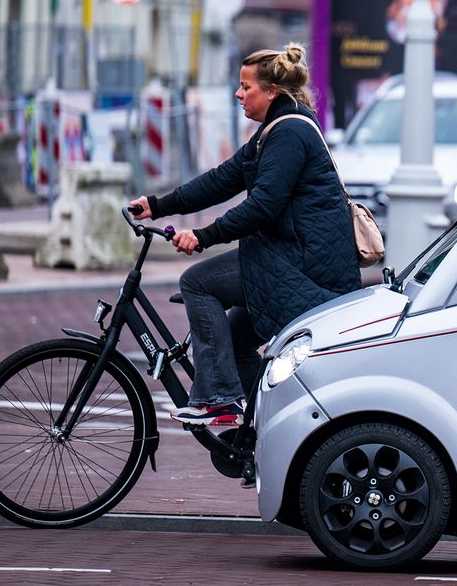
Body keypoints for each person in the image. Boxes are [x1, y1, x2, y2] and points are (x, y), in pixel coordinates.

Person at [129, 43, 361, 426]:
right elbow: (223, 179)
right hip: (288, 257)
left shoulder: (288, 134)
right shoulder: (272, 131)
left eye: (246, 86)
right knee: (236, 343)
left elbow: (263, 206)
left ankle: (219, 399)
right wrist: (158, 204)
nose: (238, 94)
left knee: (198, 282)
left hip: (303, 266)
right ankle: (258, 429)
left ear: (271, 92)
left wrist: (203, 236)